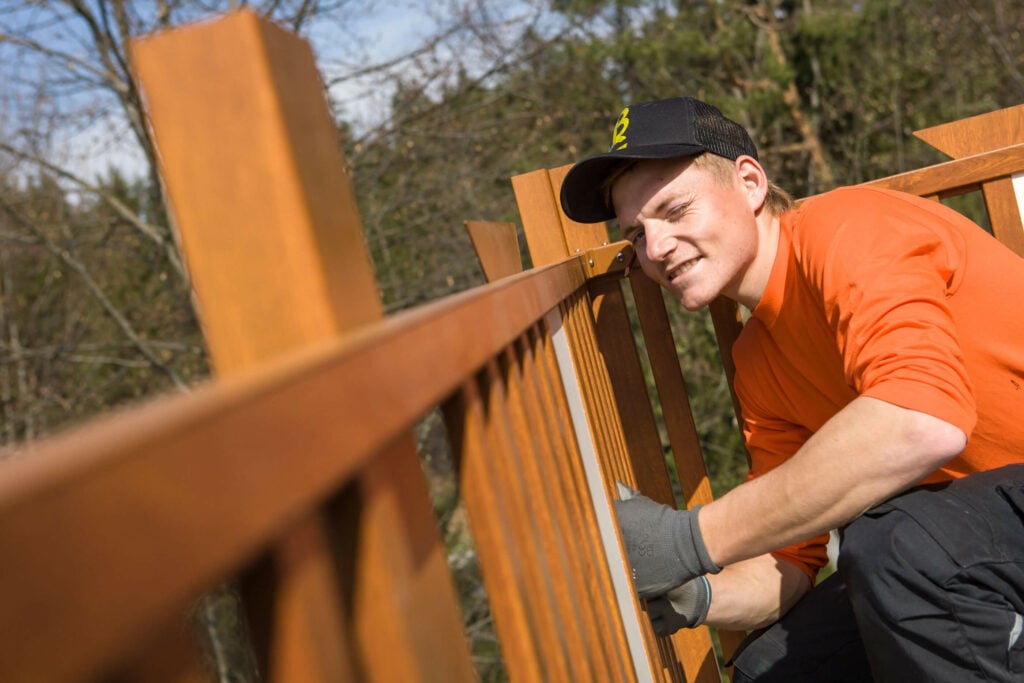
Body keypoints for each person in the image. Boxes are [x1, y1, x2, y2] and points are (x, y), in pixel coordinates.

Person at [559, 96, 1024, 681]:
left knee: (896, 546)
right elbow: (790, 563)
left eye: (675, 210)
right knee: (773, 667)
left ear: (750, 181)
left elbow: (921, 419)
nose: (656, 249)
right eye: (637, 234)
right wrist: (696, 596)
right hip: (983, 540)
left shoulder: (848, 228)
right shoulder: (758, 362)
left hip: (977, 534)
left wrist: (686, 538)